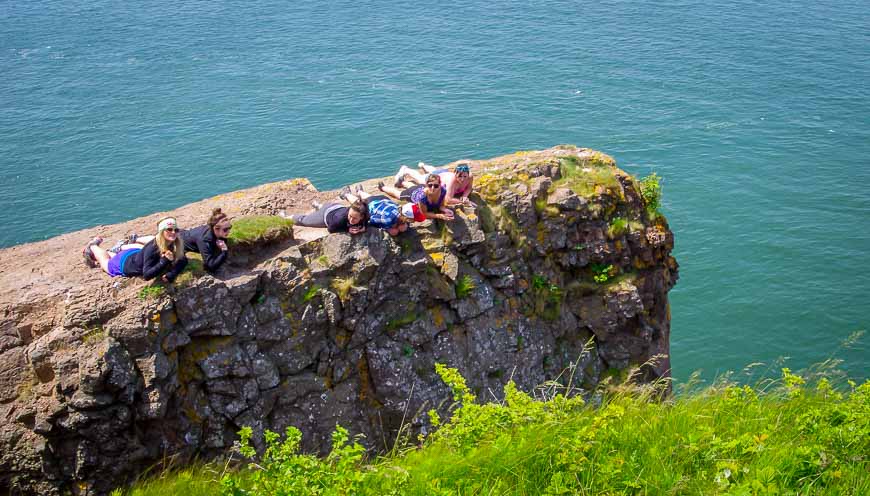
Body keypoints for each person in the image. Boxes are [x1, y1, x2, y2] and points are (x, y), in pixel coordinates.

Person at [83, 217, 188, 283]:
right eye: (169, 229)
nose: (173, 232)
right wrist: (164, 261)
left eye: (176, 230)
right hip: (124, 264)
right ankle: (92, 246)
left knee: (124, 253)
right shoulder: (153, 247)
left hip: (134, 254)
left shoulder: (175, 243)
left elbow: (183, 260)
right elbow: (147, 275)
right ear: (161, 232)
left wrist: (172, 274)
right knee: (105, 261)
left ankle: (119, 248)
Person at [377, 173, 454, 221]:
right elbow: (424, 213)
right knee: (399, 194)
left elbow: (441, 204)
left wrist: (444, 209)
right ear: (427, 185)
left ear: (440, 185)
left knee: (413, 186)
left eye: (436, 186)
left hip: (420, 188)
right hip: (413, 194)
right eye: (430, 185)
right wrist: (439, 216)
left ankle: (402, 182)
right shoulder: (422, 197)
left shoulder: (443, 191)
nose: (433, 188)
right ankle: (383, 187)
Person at [392, 162, 474, 206]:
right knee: (420, 179)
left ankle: (423, 166)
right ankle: (406, 169)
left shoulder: (470, 176)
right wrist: (462, 201)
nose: (462, 179)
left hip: (443, 173)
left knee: (435, 171)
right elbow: (448, 200)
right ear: (455, 173)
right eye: (460, 176)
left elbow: (469, 188)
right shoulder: (451, 181)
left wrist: (465, 196)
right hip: (437, 177)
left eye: (464, 176)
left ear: (468, 174)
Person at [341, 188, 415, 236]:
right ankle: (347, 194)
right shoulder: (387, 218)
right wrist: (387, 228)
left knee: (369, 197)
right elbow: (372, 220)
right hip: (373, 205)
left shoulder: (401, 210)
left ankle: (360, 191)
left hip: (383, 200)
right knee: (360, 203)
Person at [180, 208, 231, 272]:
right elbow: (210, 267)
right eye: (225, 229)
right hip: (179, 240)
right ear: (215, 228)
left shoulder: (217, 232)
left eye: (230, 227)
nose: (229, 231)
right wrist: (224, 251)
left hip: (186, 233)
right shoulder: (204, 240)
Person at [291, 199, 368, 234]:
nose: (351, 219)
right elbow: (331, 229)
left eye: (355, 218)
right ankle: (287, 217)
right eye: (350, 216)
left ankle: (318, 205)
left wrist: (364, 227)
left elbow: (369, 222)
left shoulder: (365, 216)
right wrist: (347, 230)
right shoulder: (340, 219)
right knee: (304, 221)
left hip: (337, 207)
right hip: (326, 213)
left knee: (322, 207)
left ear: (361, 217)